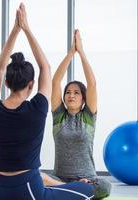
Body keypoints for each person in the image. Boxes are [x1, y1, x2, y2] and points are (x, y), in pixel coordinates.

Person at [0, 3, 94, 200]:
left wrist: (14, 31)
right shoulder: (37, 108)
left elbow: (0, 67)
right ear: (31, 84)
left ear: (6, 82)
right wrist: (26, 28)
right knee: (87, 191)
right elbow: (45, 67)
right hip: (28, 190)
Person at [42, 29, 111, 199]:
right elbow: (55, 81)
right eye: (68, 92)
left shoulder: (88, 117)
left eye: (77, 92)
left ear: (83, 98)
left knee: (106, 186)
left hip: (88, 179)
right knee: (36, 176)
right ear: (64, 97)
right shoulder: (59, 116)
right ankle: (71, 188)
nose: (71, 95)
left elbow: (92, 84)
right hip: (59, 178)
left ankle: (74, 189)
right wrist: (71, 52)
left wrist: (81, 52)